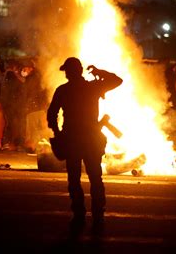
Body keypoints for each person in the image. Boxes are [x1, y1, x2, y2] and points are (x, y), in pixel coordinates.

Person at [47, 57, 122, 233]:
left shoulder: (63, 90)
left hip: (72, 138)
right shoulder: (92, 87)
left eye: (67, 70)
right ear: (80, 71)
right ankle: (98, 214)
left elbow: (52, 114)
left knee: (74, 178)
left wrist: (58, 133)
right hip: (90, 138)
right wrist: (99, 72)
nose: (66, 73)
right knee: (95, 178)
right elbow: (117, 80)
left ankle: (79, 214)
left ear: (69, 72)